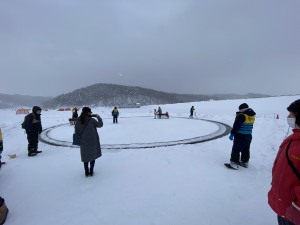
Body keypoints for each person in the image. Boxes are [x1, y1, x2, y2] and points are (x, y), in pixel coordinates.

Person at [268, 99, 300, 225]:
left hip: (295, 213)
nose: (288, 117)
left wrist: (296, 208)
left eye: (291, 114)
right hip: (284, 206)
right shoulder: (292, 139)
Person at [75, 107, 103, 177]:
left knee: (85, 157)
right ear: (87, 112)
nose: (91, 113)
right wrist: (98, 117)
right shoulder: (92, 120)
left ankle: (86, 171)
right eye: (90, 112)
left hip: (83, 142)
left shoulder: (78, 120)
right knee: (92, 156)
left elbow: (76, 131)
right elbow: (100, 124)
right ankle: (91, 170)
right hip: (92, 141)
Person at [227, 103, 256, 169]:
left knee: (236, 149)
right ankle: (245, 162)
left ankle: (233, 163)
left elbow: (236, 126)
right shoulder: (251, 116)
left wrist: (232, 134)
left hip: (240, 135)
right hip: (248, 135)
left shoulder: (241, 116)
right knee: (246, 149)